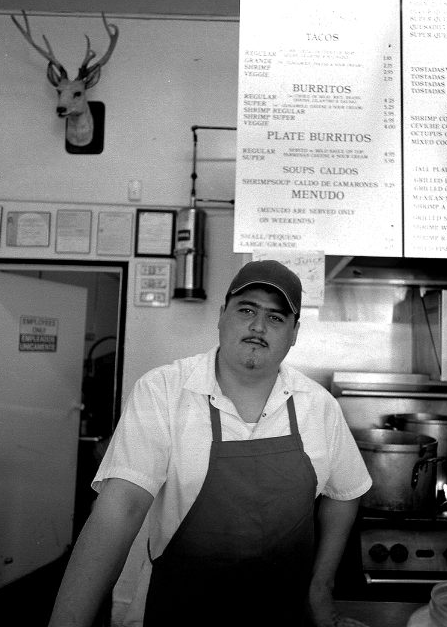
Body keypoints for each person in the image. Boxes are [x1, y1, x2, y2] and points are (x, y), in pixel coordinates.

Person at [48, 260, 372, 627]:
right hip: (180, 609)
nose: (258, 326)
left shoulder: (319, 407)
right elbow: (120, 509)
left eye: (276, 318)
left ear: (294, 332)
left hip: (282, 612)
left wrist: (320, 584)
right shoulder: (164, 391)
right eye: (246, 309)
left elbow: (346, 492)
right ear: (222, 315)